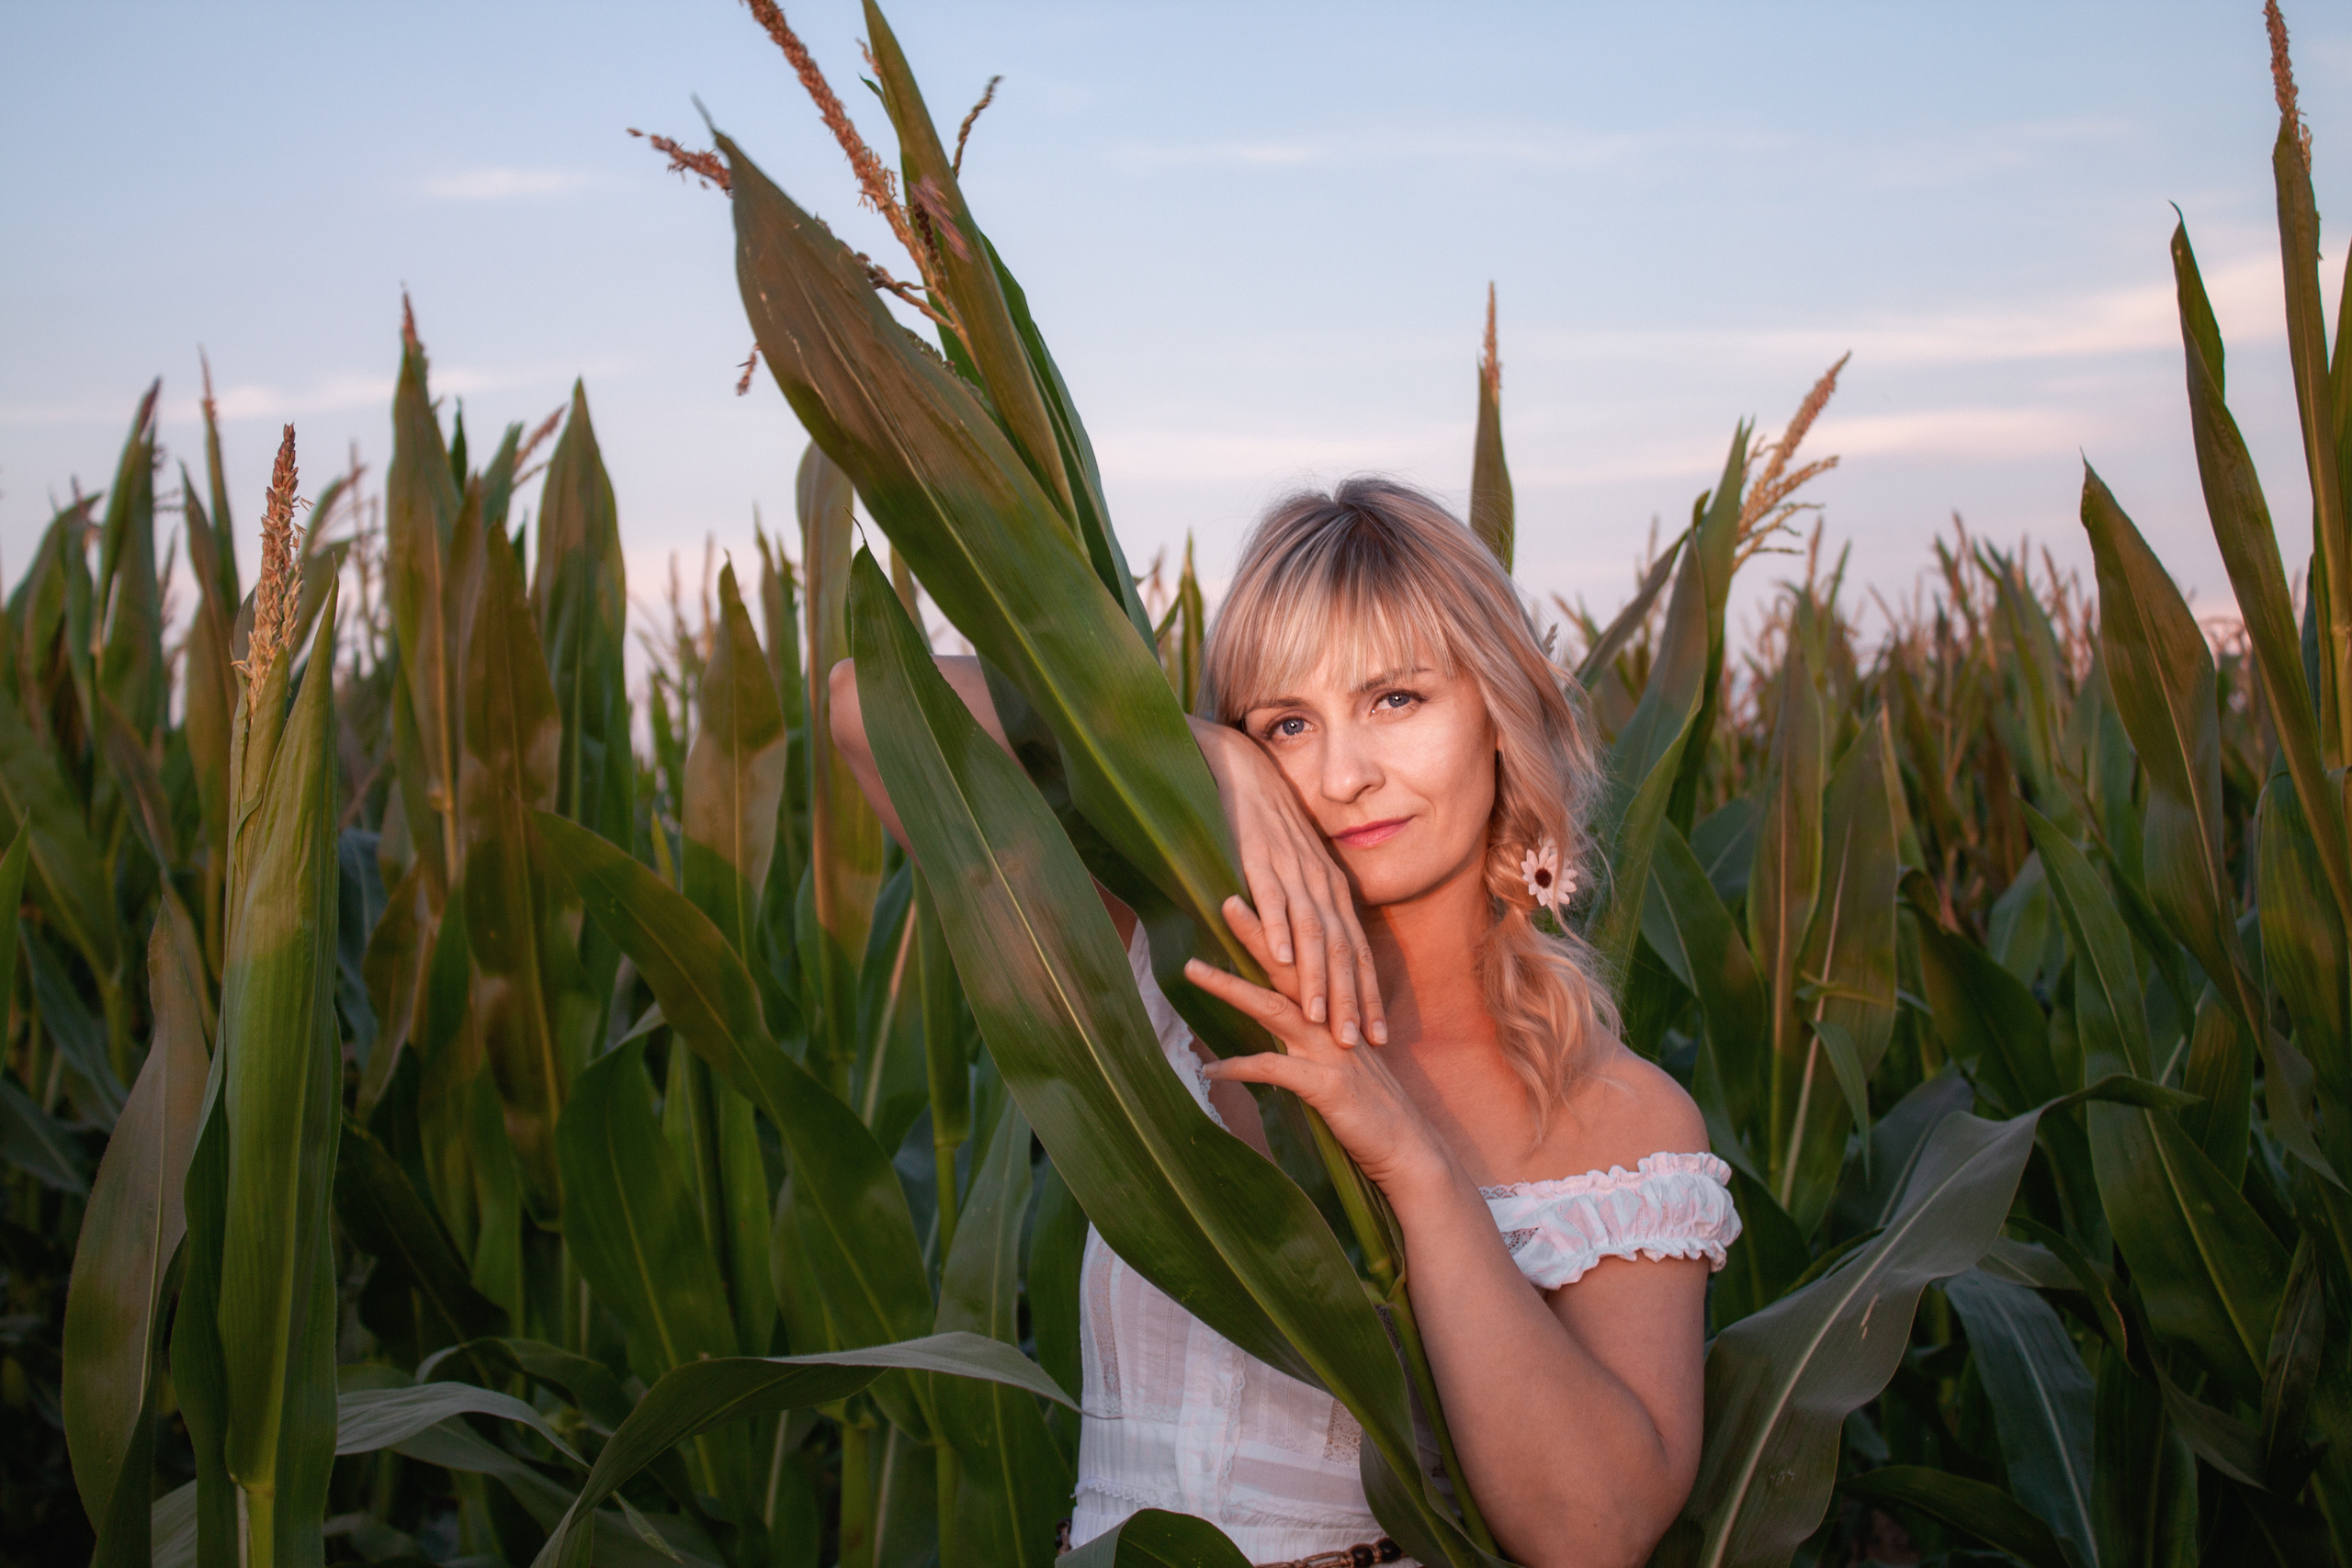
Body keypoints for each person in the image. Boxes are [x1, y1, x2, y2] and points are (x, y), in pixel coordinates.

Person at [831, 479, 1737, 1568]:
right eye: (1288, 725)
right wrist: (1192, 754)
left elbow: (1590, 1534)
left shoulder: (1619, 1122)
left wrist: (1414, 1166)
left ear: (1499, 712)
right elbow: (868, 703)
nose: (1344, 776)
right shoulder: (1176, 964)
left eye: (1396, 699)